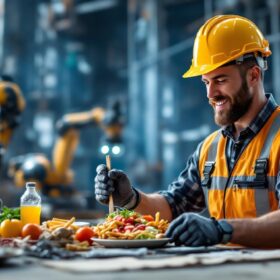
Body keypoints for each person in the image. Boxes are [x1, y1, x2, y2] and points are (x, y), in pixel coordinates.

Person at [94, 15, 280, 248]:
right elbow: (173, 206)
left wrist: (221, 229)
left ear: (253, 75)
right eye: (206, 82)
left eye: (220, 80)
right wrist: (130, 198)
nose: (210, 94)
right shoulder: (211, 149)